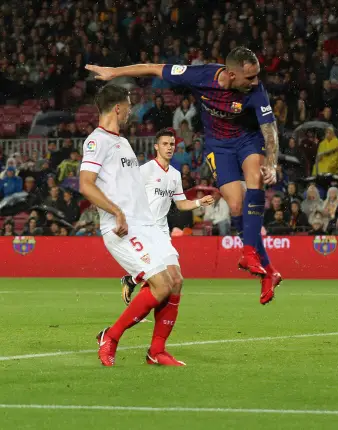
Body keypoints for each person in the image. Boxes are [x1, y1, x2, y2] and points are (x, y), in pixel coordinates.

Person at [87, 47, 282, 305]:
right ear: (231, 75)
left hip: (247, 140)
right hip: (219, 146)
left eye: (257, 76)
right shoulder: (200, 75)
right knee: (235, 205)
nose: (256, 82)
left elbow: (269, 129)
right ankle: (269, 271)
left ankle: (248, 252)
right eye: (250, 77)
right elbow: (155, 68)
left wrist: (272, 162)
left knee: (256, 176)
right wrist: (114, 73)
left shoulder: (256, 91)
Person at [79, 85, 180, 366]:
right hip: (121, 227)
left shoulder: (122, 142)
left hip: (146, 226)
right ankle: (110, 337)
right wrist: (116, 212)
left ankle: (156, 351)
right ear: (118, 108)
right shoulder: (96, 141)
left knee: (176, 281)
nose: (132, 110)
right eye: (129, 104)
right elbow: (85, 185)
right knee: (160, 286)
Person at [120, 128, 215, 305]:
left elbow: (180, 204)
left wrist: (198, 202)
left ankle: (132, 281)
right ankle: (136, 295)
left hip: (162, 232)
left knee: (175, 279)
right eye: (165, 144)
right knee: (157, 276)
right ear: (157, 147)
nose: (169, 147)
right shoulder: (145, 170)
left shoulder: (175, 175)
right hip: (142, 229)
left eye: (172, 144)